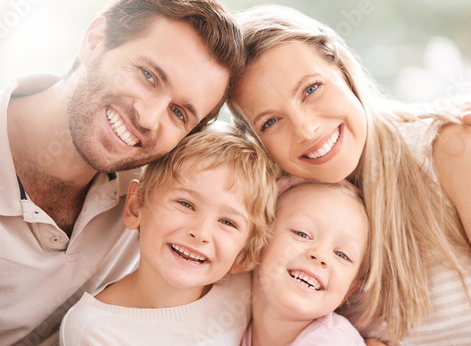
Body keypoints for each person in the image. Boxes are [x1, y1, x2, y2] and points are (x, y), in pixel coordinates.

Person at [0, 0, 244, 344]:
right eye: (148, 75)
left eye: (178, 113)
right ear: (95, 40)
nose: (147, 117)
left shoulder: (158, 197)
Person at [227, 4, 471, 345]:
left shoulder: (450, 150)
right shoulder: (276, 213)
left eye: (311, 89)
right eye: (270, 121)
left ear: (341, 67)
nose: (307, 129)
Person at [59, 124, 277, 345]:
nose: (201, 233)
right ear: (136, 207)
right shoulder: (94, 330)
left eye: (227, 222)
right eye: (185, 204)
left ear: (246, 250)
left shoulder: (244, 289)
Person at [242, 182, 369, 346]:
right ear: (260, 241)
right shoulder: (232, 329)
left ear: (350, 290)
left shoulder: (333, 341)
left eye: (341, 255)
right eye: (302, 234)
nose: (320, 255)